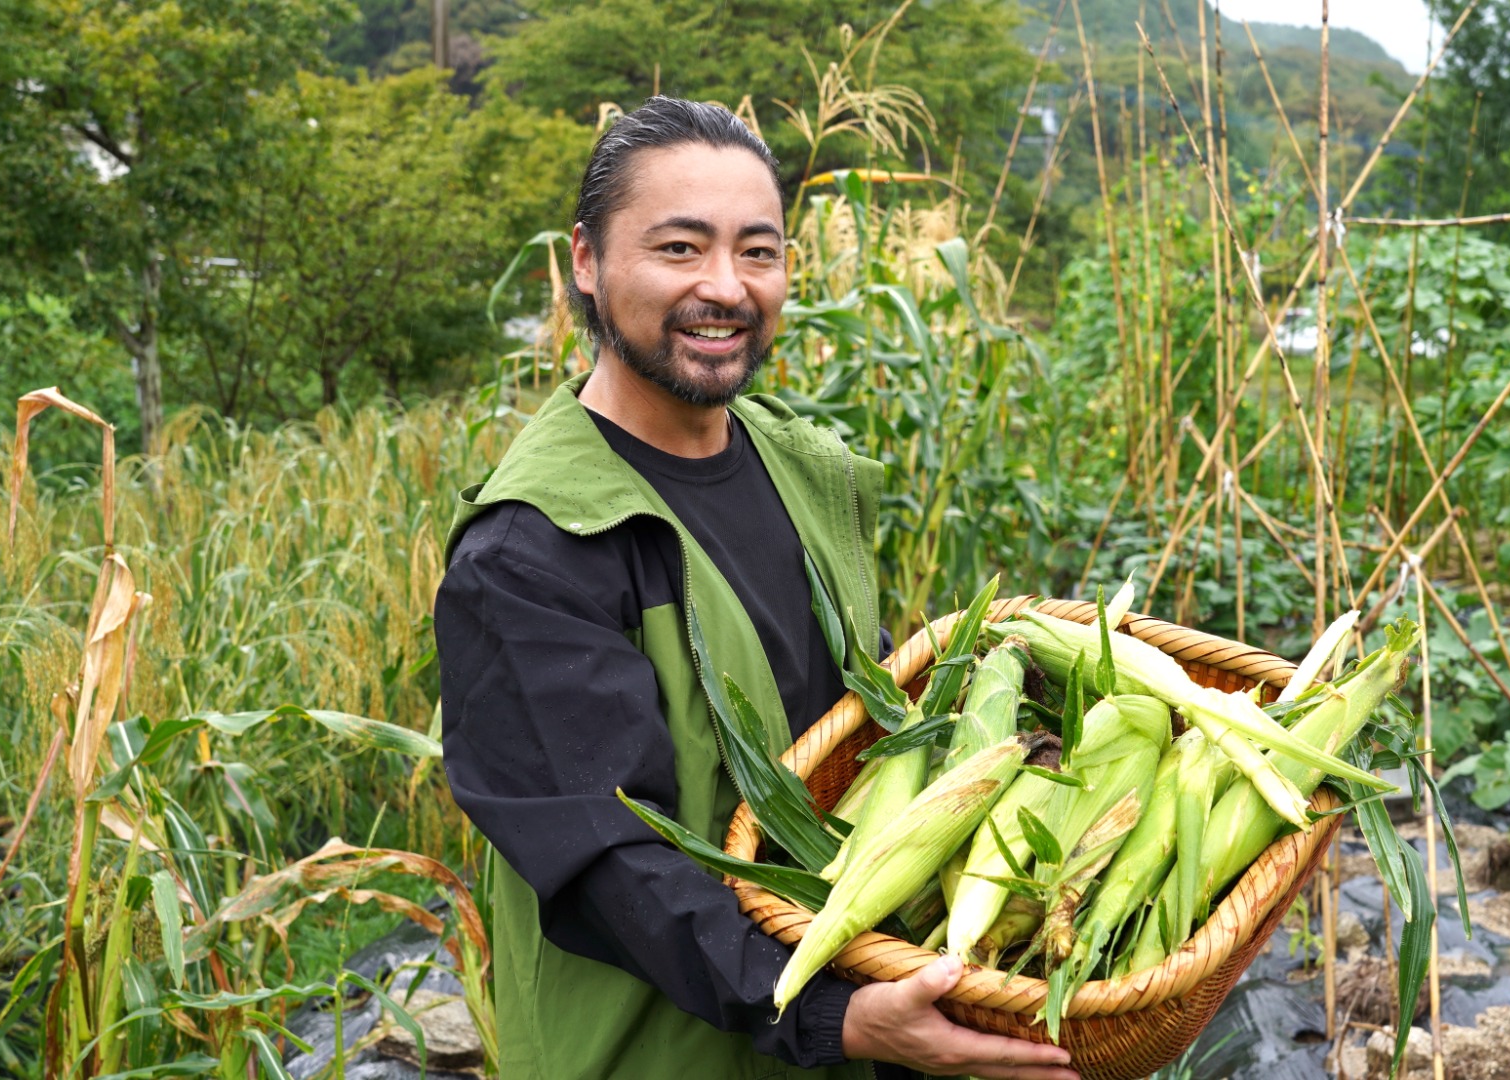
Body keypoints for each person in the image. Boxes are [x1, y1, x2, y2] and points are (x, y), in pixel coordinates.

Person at [433, 97, 1078, 1080]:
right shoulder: (531, 553)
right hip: (655, 1057)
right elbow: (608, 862)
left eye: (759, 252)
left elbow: (848, 749)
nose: (725, 288)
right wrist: (834, 1015)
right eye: (680, 249)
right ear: (586, 263)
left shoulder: (805, 469)